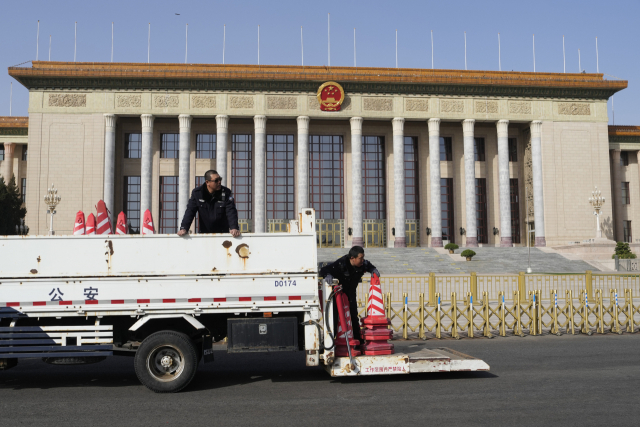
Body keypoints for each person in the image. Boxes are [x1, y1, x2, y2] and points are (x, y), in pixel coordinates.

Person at [319, 246, 380, 341]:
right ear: (352, 258)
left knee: (353, 317)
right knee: (334, 318)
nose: (363, 260)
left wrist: (373, 269)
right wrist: (327, 275)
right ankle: (329, 342)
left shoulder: (362, 264)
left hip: (350, 293)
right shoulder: (341, 264)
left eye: (363, 258)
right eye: (360, 258)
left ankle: (358, 341)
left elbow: (369, 265)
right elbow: (324, 269)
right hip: (338, 295)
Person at [178, 170, 241, 237]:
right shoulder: (197, 193)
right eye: (216, 180)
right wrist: (184, 228)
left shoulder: (226, 193)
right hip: (204, 234)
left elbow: (231, 211)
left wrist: (234, 227)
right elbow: (190, 211)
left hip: (222, 234)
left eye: (220, 179)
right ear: (207, 182)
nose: (219, 182)